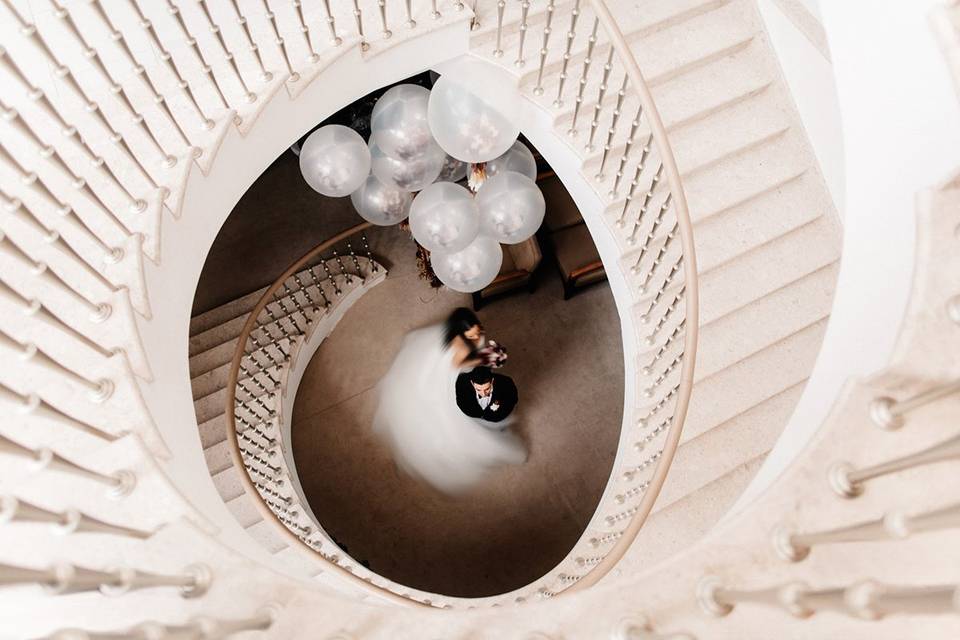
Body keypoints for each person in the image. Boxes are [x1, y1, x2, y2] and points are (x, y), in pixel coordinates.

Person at [372, 308, 526, 494]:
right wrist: (487, 357)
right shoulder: (459, 350)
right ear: (460, 335)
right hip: (447, 379)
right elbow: (463, 366)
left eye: (479, 331)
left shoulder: (462, 334)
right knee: (450, 425)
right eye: (473, 335)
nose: (478, 337)